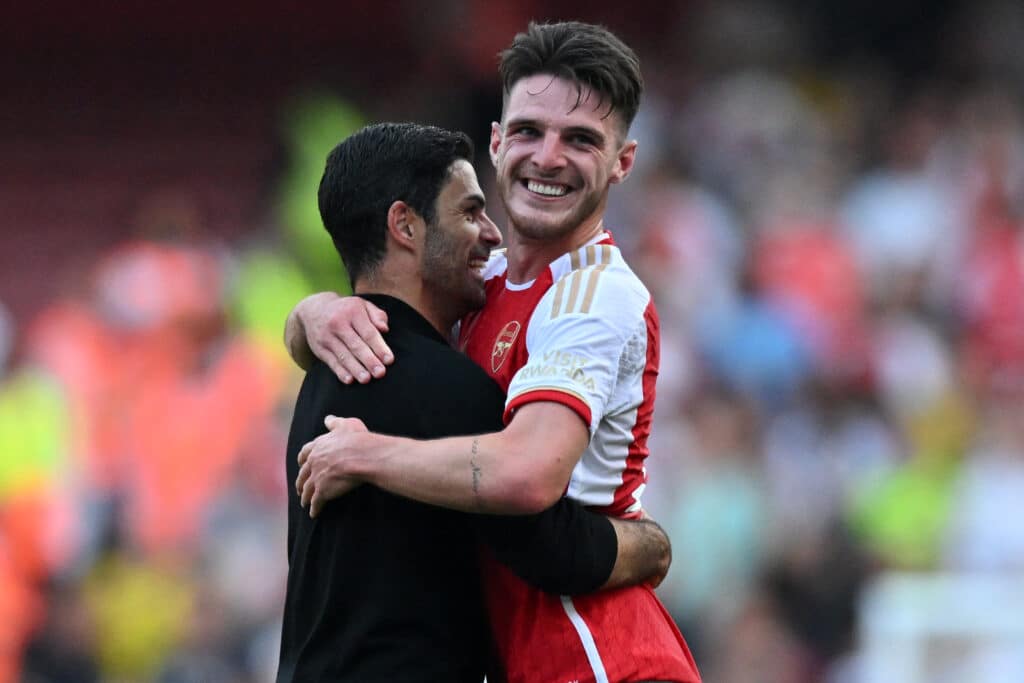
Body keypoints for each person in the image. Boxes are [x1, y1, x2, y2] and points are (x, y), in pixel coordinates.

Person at [289, 21, 701, 683]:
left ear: (623, 163)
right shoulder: (484, 285)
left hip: (603, 657)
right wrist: (311, 316)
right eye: (531, 131)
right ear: (497, 140)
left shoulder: (594, 293)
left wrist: (368, 453)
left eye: (582, 140)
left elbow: (527, 475)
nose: (548, 157)